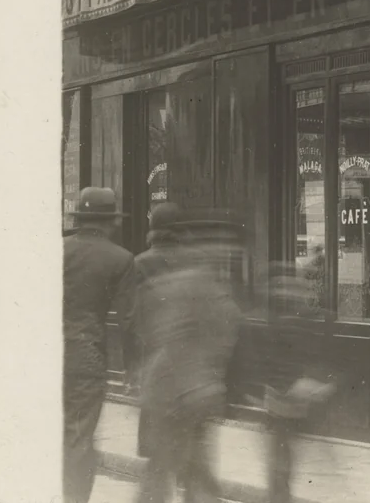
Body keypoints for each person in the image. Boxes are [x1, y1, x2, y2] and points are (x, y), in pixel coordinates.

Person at [135, 211, 243, 503]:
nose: (229, 252)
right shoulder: (187, 284)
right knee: (163, 477)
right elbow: (172, 339)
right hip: (173, 395)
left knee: (192, 475)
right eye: (222, 246)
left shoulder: (210, 282)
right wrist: (199, 385)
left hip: (194, 397)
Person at [63, 187, 136, 503]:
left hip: (48, 354)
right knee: (78, 439)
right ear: (109, 222)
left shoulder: (57, 250)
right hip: (86, 358)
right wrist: (132, 367)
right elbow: (129, 320)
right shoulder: (120, 259)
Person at [248, 262, 337, 503]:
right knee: (281, 466)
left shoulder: (304, 319)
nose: (286, 292)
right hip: (282, 404)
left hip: (296, 403)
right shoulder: (275, 320)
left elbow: (318, 355)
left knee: (287, 466)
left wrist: (317, 383)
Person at [132, 202, 184, 459]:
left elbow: (134, 314)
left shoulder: (140, 263)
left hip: (153, 350)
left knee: (155, 448)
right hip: (186, 352)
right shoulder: (190, 261)